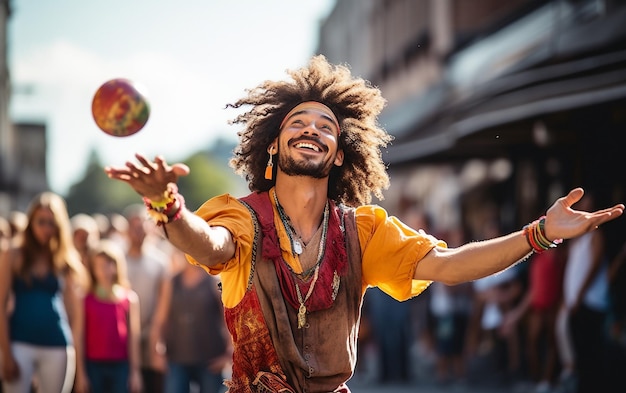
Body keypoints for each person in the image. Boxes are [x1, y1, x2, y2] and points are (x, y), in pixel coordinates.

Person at [104, 55, 624, 393]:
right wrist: (167, 204)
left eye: (325, 127)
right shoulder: (242, 217)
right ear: (273, 147)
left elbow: (450, 265)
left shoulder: (364, 231)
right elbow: (211, 246)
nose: (311, 130)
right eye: (297, 124)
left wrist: (541, 232)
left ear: (337, 156)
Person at [0, 192, 89, 393]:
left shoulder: (63, 258)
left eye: (52, 223)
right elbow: (1, 303)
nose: (46, 228)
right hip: (19, 341)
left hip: (56, 343)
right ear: (30, 222)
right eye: (41, 222)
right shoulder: (13, 253)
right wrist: (5, 352)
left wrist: (76, 353)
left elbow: (75, 312)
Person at [162, 248, 232, 393]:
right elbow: (161, 318)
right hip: (177, 359)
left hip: (211, 361)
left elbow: (229, 320)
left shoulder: (214, 282)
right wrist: (157, 348)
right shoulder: (172, 282)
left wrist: (228, 355)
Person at [80, 239, 142, 393]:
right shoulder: (85, 299)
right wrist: (81, 373)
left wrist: (135, 372)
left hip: (120, 365)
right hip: (93, 364)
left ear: (116, 266)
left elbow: (133, 337)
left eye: (108, 264)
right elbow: (79, 335)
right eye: (98, 266)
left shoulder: (129, 299)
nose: (103, 270)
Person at [121, 204, 171, 393]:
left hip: (151, 334)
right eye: (134, 226)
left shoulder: (160, 262)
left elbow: (163, 302)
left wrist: (156, 334)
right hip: (123, 336)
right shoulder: (118, 259)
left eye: (141, 226)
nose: (138, 231)